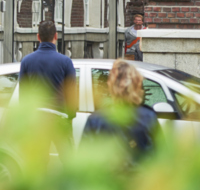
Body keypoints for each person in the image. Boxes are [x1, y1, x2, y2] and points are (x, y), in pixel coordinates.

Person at [18, 19, 78, 163]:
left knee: (38, 164)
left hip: (37, 120)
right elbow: (72, 93)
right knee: (68, 162)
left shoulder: (26, 61)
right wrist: (70, 116)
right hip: (59, 118)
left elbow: (23, 95)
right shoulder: (65, 62)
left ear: (38, 37)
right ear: (56, 36)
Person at [83, 60, 160, 167]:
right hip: (138, 181)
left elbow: (84, 161)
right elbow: (159, 158)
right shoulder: (148, 116)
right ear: (137, 84)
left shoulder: (95, 119)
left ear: (111, 86)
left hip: (106, 181)